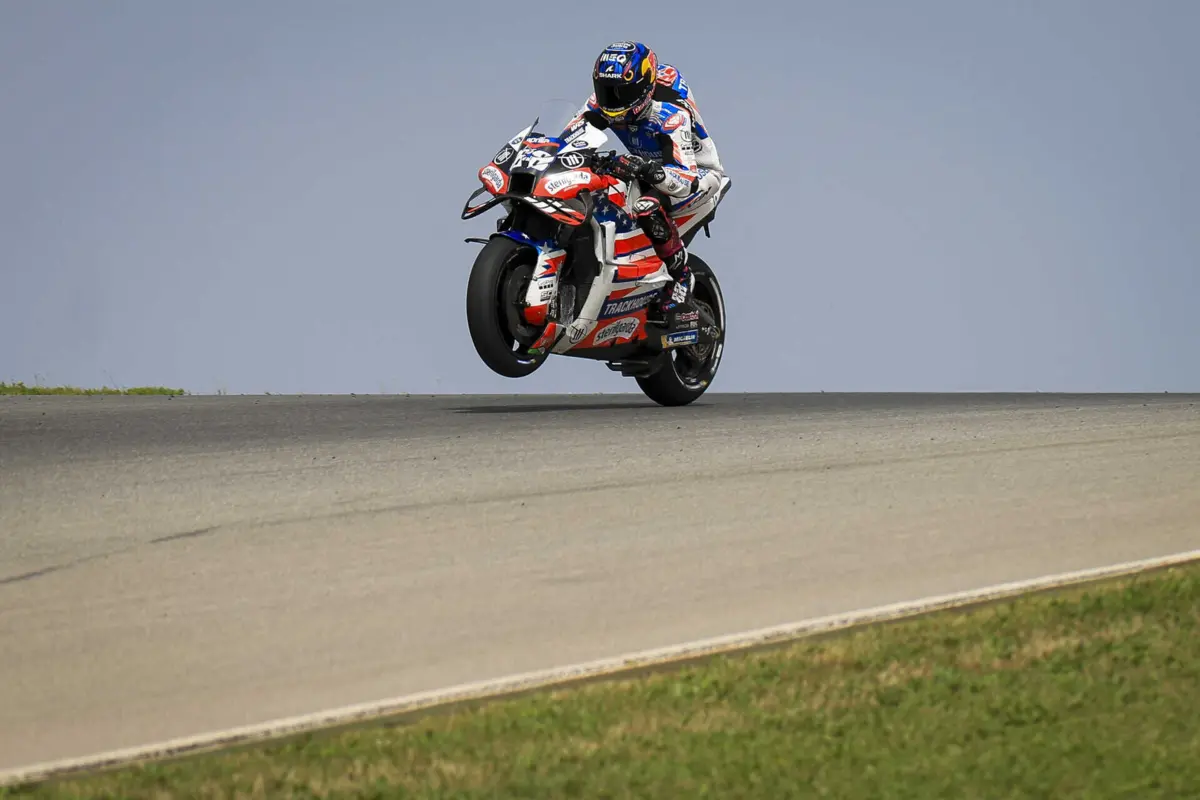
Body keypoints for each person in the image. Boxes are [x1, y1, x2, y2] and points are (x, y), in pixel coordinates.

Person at [565, 41, 727, 322]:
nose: (612, 100)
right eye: (606, 90)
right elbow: (568, 137)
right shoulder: (599, 103)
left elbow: (684, 180)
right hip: (647, 168)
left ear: (644, 88)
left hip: (695, 173)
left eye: (622, 92)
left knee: (645, 207)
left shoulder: (669, 116)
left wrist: (647, 170)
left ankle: (681, 278)